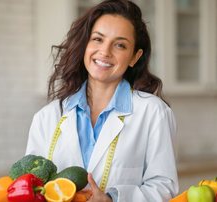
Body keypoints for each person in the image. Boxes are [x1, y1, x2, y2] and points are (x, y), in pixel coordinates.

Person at [25, 0, 178, 201]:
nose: (105, 52)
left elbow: (164, 186)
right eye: (97, 39)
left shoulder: (153, 112)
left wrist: (112, 198)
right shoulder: (47, 117)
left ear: (134, 57)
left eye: (120, 45)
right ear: (85, 45)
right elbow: (31, 184)